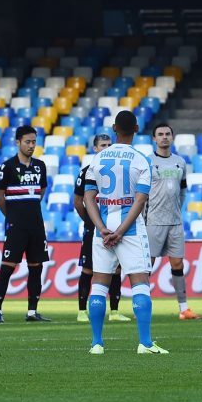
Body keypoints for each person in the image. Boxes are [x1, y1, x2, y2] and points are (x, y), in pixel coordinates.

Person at [83, 110, 167, 354]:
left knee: (98, 284)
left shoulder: (97, 159)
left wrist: (101, 228)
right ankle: (145, 343)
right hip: (128, 229)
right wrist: (120, 231)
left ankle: (97, 343)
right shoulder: (142, 160)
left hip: (103, 229)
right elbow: (140, 201)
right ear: (137, 128)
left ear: (113, 128)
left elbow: (88, 198)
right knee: (139, 282)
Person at [0, 125, 50, 323]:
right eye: (28, 142)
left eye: (34, 142)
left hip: (36, 225)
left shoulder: (40, 166)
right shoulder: (7, 167)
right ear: (18, 142)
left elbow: (41, 192)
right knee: (7, 267)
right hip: (16, 226)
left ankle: (32, 312)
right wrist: (12, 216)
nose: (31, 146)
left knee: (36, 267)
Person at [148, 123, 202, 320]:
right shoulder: (147, 162)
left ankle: (184, 308)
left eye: (167, 134)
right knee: (148, 265)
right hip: (153, 220)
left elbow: (183, 190)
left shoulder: (180, 162)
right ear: (154, 138)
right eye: (160, 134)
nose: (164, 137)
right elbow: (142, 193)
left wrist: (177, 210)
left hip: (175, 222)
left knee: (177, 263)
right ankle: (142, 304)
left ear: (172, 137)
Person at [74, 134, 129, 322]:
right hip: (94, 226)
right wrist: (90, 220)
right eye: (102, 145)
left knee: (116, 269)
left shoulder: (120, 171)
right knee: (88, 269)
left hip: (115, 224)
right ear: (95, 149)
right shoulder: (86, 171)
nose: (106, 148)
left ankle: (114, 311)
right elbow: (78, 202)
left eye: (109, 145)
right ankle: (82, 311)